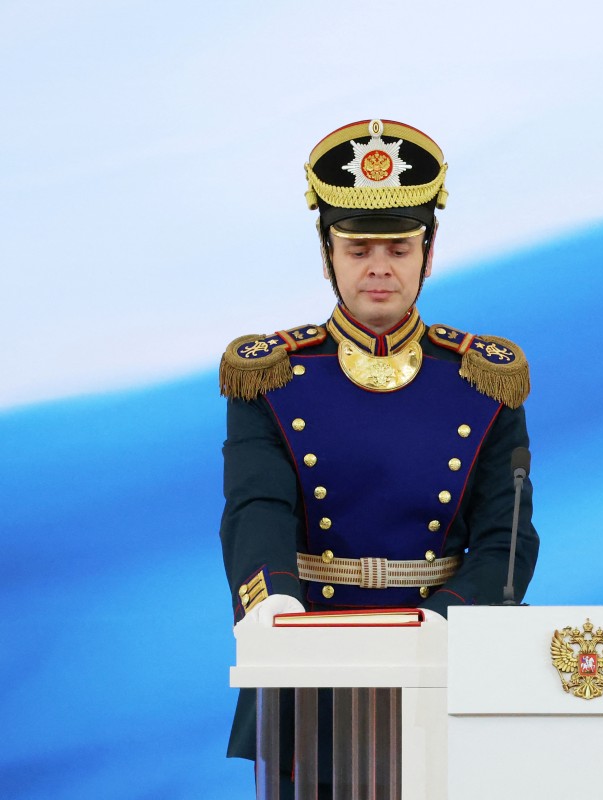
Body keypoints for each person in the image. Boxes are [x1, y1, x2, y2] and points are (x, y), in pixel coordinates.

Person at [218, 118, 539, 790]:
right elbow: (257, 506)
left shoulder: (482, 377)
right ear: (327, 252)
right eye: (358, 247)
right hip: (310, 644)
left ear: (429, 251)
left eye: (398, 247)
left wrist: (453, 615)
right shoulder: (274, 375)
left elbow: (508, 534)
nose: (379, 268)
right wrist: (272, 603)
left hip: (444, 643)